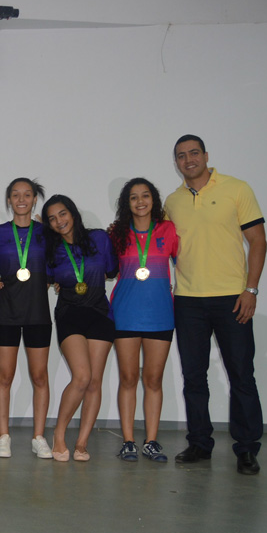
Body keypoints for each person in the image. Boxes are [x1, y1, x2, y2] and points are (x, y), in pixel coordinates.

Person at [164, 134, 266, 475]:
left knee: (241, 374)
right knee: (193, 376)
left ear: (206, 156)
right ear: (176, 162)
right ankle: (199, 443)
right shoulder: (172, 201)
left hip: (232, 298)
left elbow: (257, 240)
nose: (188, 159)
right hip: (188, 300)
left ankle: (247, 449)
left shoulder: (237, 189)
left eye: (194, 153)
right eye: (181, 155)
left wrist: (250, 290)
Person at [43, 195, 117, 462]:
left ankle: (82, 442)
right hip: (69, 313)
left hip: (100, 312)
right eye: (52, 218)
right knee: (82, 376)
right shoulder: (51, 249)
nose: (58, 221)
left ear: (72, 213)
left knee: (95, 381)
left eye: (62, 214)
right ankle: (59, 434)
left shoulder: (99, 238)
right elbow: (49, 278)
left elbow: (110, 270)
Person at [109, 178, 178, 463]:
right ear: (127, 204)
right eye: (133, 197)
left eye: (145, 196)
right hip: (125, 313)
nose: (140, 202)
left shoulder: (168, 229)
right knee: (128, 378)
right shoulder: (116, 233)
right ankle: (128, 441)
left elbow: (187, 263)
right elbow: (101, 265)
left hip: (161, 314)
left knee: (153, 379)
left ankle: (151, 441)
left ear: (154, 199)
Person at [0, 178, 53, 459]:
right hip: (7, 311)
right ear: (9, 201)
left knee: (39, 376)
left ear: (35, 199)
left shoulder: (47, 233)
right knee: (5, 375)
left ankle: (39, 436)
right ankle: (4, 436)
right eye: (16, 195)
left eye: (27, 194)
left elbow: (59, 264)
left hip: (38, 312)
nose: (22, 199)